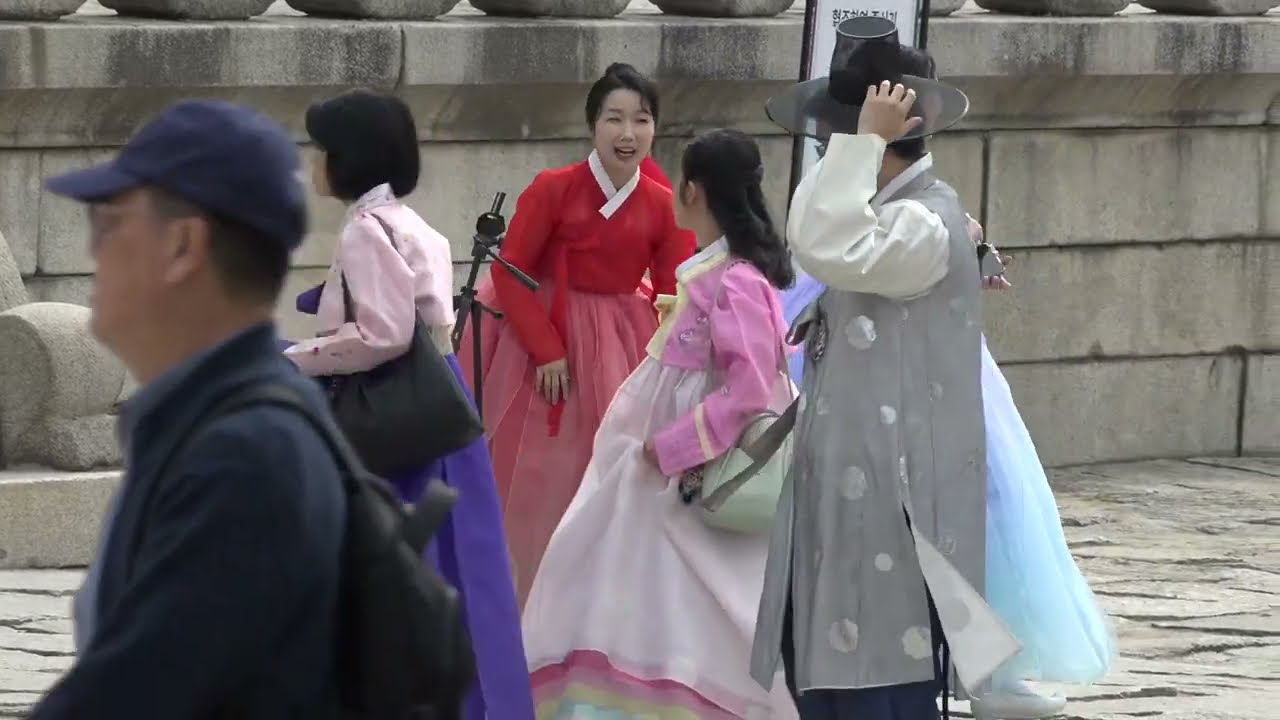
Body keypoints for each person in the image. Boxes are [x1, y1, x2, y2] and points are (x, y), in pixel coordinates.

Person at [29, 100, 346, 717]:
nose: (95, 252)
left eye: (110, 223)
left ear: (181, 245)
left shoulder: (249, 455)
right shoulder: (208, 421)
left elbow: (126, 696)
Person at [750, 17, 1019, 720]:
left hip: (890, 512)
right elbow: (818, 236)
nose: (834, 149)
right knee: (828, 674)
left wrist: (864, 140)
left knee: (878, 684)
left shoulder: (925, 224)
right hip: (842, 502)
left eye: (845, 130)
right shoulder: (886, 215)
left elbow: (823, 239)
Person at [523, 128, 799, 719]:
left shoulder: (737, 278)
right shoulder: (716, 271)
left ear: (692, 191)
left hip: (687, 469)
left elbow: (750, 387)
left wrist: (673, 447)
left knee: (694, 589)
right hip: (657, 464)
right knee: (627, 572)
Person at [284, 89, 535, 720]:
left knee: (399, 572)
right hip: (439, 401)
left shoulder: (366, 231)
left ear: (349, 159)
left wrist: (292, 358)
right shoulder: (410, 222)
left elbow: (381, 336)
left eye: (322, 151)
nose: (314, 163)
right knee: (465, 569)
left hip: (394, 412)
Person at [459, 62, 696, 607]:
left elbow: (672, 292)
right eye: (614, 119)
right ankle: (521, 608)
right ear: (593, 124)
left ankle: (590, 616)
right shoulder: (554, 188)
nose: (628, 133)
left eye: (641, 120)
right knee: (534, 484)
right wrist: (546, 352)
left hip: (621, 342)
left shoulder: (663, 204)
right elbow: (509, 272)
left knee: (608, 475)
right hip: (541, 338)